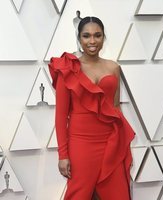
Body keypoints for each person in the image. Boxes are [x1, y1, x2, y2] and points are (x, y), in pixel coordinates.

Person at [48, 16, 135, 200]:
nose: (92, 41)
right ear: (79, 39)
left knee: (119, 195)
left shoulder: (113, 67)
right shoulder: (68, 69)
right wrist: (63, 155)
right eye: (86, 36)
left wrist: (121, 144)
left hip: (110, 141)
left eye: (98, 35)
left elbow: (115, 107)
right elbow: (61, 116)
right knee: (78, 196)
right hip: (81, 144)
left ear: (104, 37)